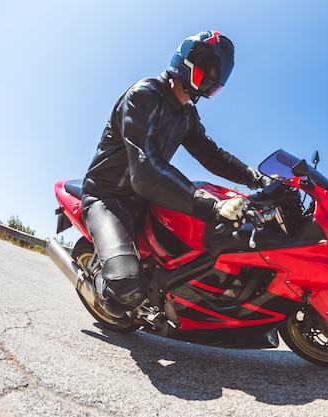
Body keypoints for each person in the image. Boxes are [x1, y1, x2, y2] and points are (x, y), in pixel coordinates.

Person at [81, 31, 270, 318]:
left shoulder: (186, 115)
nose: (215, 78)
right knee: (127, 287)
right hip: (108, 196)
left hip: (147, 197)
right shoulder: (144, 96)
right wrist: (212, 205)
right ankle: (95, 287)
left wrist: (258, 179)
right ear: (190, 61)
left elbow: (212, 155)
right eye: (213, 68)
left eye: (220, 73)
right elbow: (146, 169)